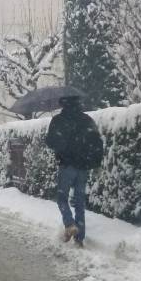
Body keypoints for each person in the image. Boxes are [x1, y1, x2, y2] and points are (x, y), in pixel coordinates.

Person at [44, 95, 104, 247]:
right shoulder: (87, 120)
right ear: (79, 104)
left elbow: (51, 141)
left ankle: (70, 224)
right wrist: (96, 163)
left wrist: (56, 142)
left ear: (63, 105)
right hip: (83, 167)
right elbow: (97, 142)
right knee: (79, 202)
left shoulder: (58, 120)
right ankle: (79, 239)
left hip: (66, 165)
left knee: (62, 198)